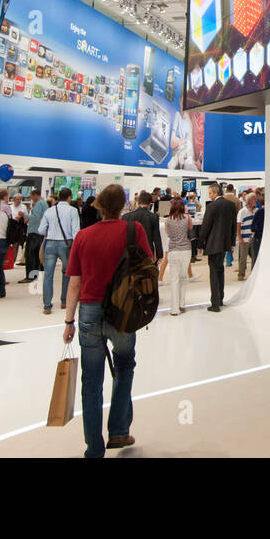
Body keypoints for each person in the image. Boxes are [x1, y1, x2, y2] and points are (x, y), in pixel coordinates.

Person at [62, 183, 152, 457]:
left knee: (91, 381)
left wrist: (68, 322)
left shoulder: (83, 236)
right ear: (123, 206)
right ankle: (119, 430)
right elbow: (147, 265)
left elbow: (74, 283)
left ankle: (94, 447)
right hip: (124, 310)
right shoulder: (133, 231)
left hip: (89, 311)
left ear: (98, 206)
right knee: (125, 366)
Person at [40, 188, 81, 315]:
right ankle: (64, 301)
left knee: (48, 275)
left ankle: (47, 306)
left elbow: (41, 230)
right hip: (66, 244)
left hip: (50, 243)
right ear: (70, 197)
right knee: (67, 272)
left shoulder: (49, 211)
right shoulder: (73, 211)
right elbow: (76, 231)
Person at [200, 183, 236, 311]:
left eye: (210, 193)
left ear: (215, 193)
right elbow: (233, 225)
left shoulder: (212, 206)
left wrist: (200, 243)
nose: (209, 196)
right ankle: (220, 298)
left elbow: (205, 227)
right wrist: (232, 242)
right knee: (220, 270)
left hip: (213, 243)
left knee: (214, 273)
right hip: (224, 243)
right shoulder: (230, 205)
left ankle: (215, 303)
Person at [162, 197, 194, 315]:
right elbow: (190, 230)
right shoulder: (187, 218)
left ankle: (174, 309)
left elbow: (168, 233)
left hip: (173, 251)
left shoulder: (167, 220)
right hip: (186, 250)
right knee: (183, 277)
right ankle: (182, 304)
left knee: (174, 280)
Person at [123, 191, 162, 264]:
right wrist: (159, 255)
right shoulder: (154, 217)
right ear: (150, 203)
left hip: (130, 252)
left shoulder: (126, 217)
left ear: (138, 202)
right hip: (147, 251)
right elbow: (156, 237)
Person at [20, 188, 46, 283]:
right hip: (39, 233)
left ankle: (30, 276)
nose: (31, 198)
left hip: (34, 232)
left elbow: (36, 217)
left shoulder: (39, 204)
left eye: (31, 196)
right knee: (35, 255)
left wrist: (25, 215)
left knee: (30, 255)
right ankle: (34, 275)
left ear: (35, 195)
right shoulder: (44, 203)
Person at [235, 192, 255, 280]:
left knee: (254, 257)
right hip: (244, 238)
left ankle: (253, 274)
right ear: (250, 201)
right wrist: (239, 238)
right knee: (243, 258)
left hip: (253, 238)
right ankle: (241, 274)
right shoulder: (242, 211)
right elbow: (238, 225)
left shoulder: (256, 211)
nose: (256, 201)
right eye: (254, 199)